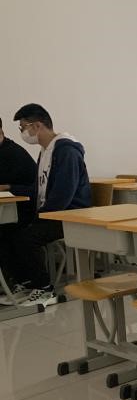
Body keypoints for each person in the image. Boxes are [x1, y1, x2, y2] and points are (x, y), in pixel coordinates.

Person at [0, 104, 90, 307]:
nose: (22, 133)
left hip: (70, 215)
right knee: (8, 232)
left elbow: (62, 196)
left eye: (23, 127)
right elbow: (39, 189)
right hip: (52, 213)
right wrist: (10, 187)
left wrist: (37, 217)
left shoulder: (66, 151)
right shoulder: (46, 151)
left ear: (37, 126)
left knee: (25, 237)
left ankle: (45, 289)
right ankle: (28, 283)